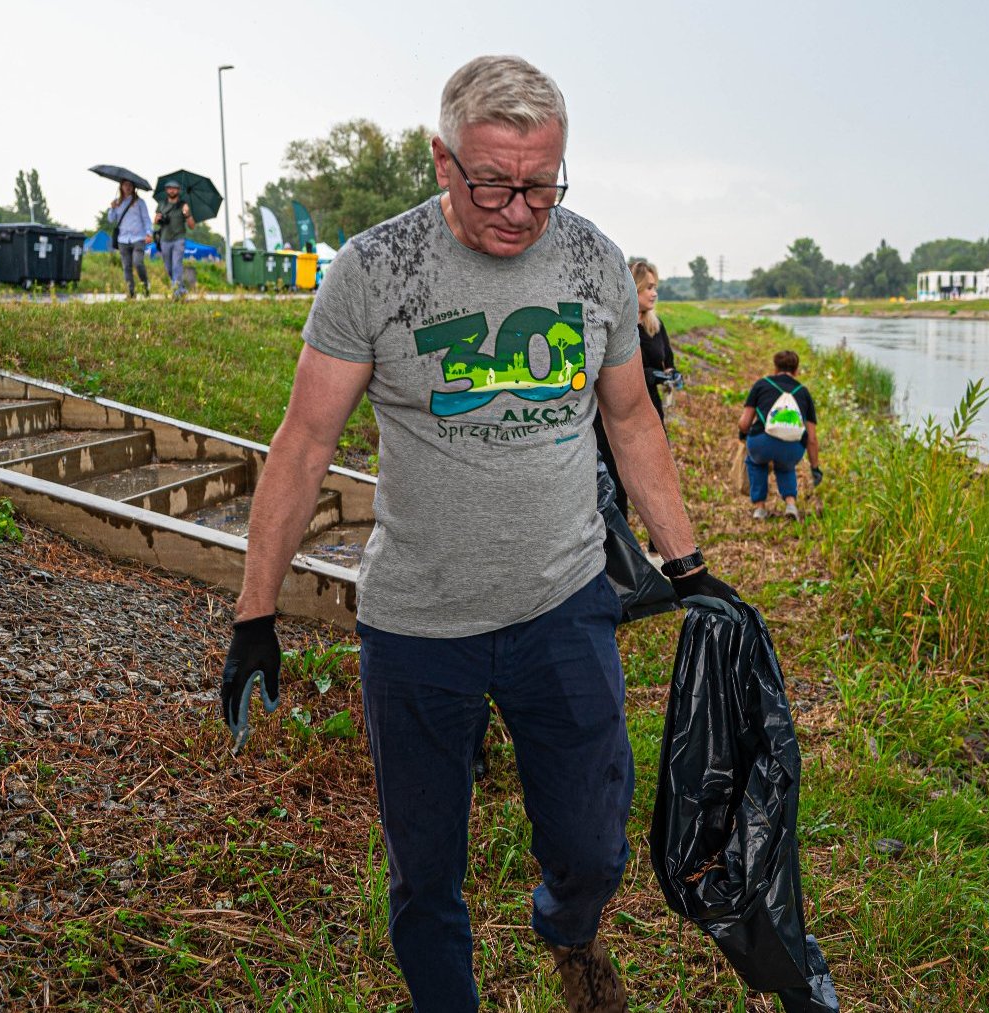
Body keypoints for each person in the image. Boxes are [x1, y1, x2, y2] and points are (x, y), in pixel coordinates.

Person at [217, 55, 735, 1013]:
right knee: (425, 871)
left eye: (541, 184)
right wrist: (256, 614)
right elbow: (303, 444)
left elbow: (630, 422)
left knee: (595, 842)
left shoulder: (592, 263)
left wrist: (688, 563)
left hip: (564, 604)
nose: (517, 209)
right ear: (440, 159)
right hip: (418, 626)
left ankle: (567, 924)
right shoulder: (376, 270)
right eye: (492, 181)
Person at [592, 258, 676, 518]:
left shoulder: (655, 326)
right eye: (648, 287)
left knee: (656, 472)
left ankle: (658, 551)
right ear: (633, 289)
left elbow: (669, 360)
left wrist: (669, 376)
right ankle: (623, 547)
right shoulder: (615, 327)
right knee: (617, 478)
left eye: (655, 287)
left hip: (649, 406)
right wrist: (647, 374)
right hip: (612, 412)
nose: (654, 293)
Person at [737, 349, 823, 520]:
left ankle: (760, 508)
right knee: (786, 466)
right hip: (792, 447)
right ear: (796, 371)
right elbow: (812, 438)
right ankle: (791, 505)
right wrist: (815, 468)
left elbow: (744, 423)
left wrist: (743, 435)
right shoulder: (803, 392)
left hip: (761, 442)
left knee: (756, 462)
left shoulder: (761, 384)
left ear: (775, 369)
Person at [105, 179, 151, 298]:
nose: (128, 187)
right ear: (121, 187)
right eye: (125, 185)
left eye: (130, 185)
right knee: (126, 267)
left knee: (138, 263)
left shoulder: (140, 202)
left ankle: (145, 285)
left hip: (138, 238)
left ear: (134, 187)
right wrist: (112, 208)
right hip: (123, 239)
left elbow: (146, 218)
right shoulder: (117, 202)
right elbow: (111, 220)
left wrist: (148, 233)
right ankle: (131, 293)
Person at [153, 179, 195, 298]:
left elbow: (192, 226)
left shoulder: (183, 205)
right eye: (169, 188)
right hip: (165, 239)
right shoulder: (161, 204)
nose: (172, 190)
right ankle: (181, 289)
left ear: (178, 190)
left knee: (177, 265)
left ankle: (176, 294)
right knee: (169, 268)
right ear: (166, 190)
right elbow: (155, 222)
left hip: (179, 239)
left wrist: (187, 214)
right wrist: (158, 218)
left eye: (175, 188)